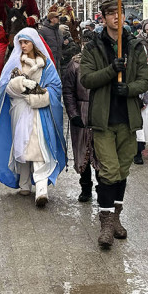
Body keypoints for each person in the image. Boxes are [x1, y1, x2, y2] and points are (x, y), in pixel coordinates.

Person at [79, 0, 148, 248]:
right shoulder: (93, 47)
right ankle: (106, 223)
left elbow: (145, 80)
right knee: (108, 171)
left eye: (118, 13)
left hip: (128, 120)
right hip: (103, 120)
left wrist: (128, 88)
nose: (115, 18)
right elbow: (87, 79)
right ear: (103, 18)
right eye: (110, 14)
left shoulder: (135, 46)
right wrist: (112, 70)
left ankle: (116, 217)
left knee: (122, 170)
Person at [0, 27, 67, 208]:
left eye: (26, 42)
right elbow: (4, 89)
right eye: (20, 42)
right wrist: (19, 83)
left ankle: (41, 188)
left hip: (40, 111)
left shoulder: (46, 64)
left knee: (39, 145)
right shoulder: (14, 63)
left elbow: (55, 87)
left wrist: (40, 97)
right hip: (19, 109)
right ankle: (24, 183)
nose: (23, 46)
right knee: (21, 145)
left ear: (34, 43)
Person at [62, 34, 100, 202]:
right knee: (82, 149)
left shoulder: (104, 64)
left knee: (101, 152)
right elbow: (68, 91)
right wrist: (73, 114)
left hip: (100, 111)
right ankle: (85, 186)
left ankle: (103, 188)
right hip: (81, 110)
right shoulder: (75, 64)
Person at [0, 0, 40, 84]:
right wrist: (0, 31)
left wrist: (30, 20)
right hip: (9, 33)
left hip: (28, 32)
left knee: (45, 49)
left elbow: (36, 14)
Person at [37, 10, 64, 75]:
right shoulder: (43, 31)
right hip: (48, 61)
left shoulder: (59, 31)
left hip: (58, 61)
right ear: (51, 19)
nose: (58, 19)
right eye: (57, 17)